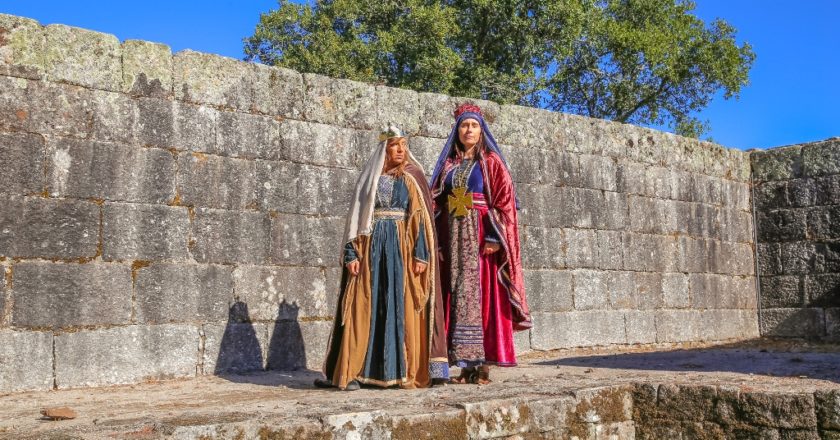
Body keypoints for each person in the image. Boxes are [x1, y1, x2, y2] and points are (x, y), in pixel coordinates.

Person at [317, 124, 449, 391]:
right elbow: (355, 219)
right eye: (394, 146)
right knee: (365, 305)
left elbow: (420, 219)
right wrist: (351, 252)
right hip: (371, 248)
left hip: (401, 247)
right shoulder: (370, 179)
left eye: (403, 145)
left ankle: (401, 372)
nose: (400, 150)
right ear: (384, 150)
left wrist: (421, 254)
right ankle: (356, 371)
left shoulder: (411, 178)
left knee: (399, 305)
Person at [430, 104, 531, 385]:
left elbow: (504, 202)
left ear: (481, 130)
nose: (469, 130)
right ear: (457, 131)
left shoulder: (491, 162)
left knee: (483, 296)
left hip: (480, 238)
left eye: (474, 126)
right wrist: (436, 241)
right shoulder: (449, 165)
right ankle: (464, 364)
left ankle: (483, 364)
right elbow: (436, 202)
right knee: (457, 296)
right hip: (453, 240)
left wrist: (493, 237)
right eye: (464, 126)